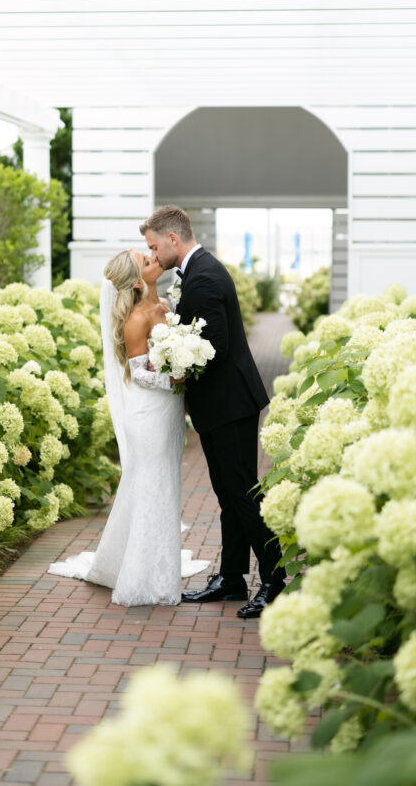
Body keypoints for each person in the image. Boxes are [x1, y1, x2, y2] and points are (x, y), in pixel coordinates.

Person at [140, 204, 285, 619]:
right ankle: (233, 578)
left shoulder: (203, 275)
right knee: (227, 492)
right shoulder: (197, 270)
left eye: (154, 246)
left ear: (173, 238)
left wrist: (175, 367)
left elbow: (211, 347)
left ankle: (274, 581)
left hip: (229, 402)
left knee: (241, 492)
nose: (152, 255)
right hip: (222, 403)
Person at [47, 248, 208, 607]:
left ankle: (150, 562)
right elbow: (139, 375)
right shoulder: (135, 319)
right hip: (149, 414)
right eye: (148, 261)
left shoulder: (164, 304)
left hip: (167, 415)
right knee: (153, 487)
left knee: (163, 486)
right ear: (136, 280)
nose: (156, 260)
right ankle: (143, 578)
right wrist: (177, 379)